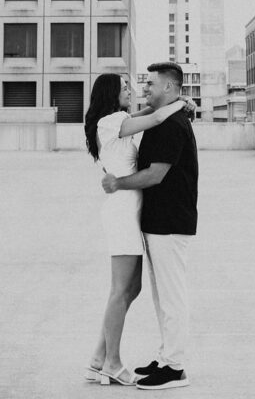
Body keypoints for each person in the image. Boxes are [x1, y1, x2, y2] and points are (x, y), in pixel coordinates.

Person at [84, 73, 191, 387]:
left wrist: (179, 104)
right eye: (125, 87)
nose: (131, 90)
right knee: (120, 290)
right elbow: (157, 116)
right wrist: (182, 103)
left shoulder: (118, 119)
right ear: (110, 93)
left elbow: (147, 115)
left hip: (131, 211)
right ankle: (112, 363)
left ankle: (96, 359)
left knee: (132, 289)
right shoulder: (109, 122)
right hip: (121, 211)